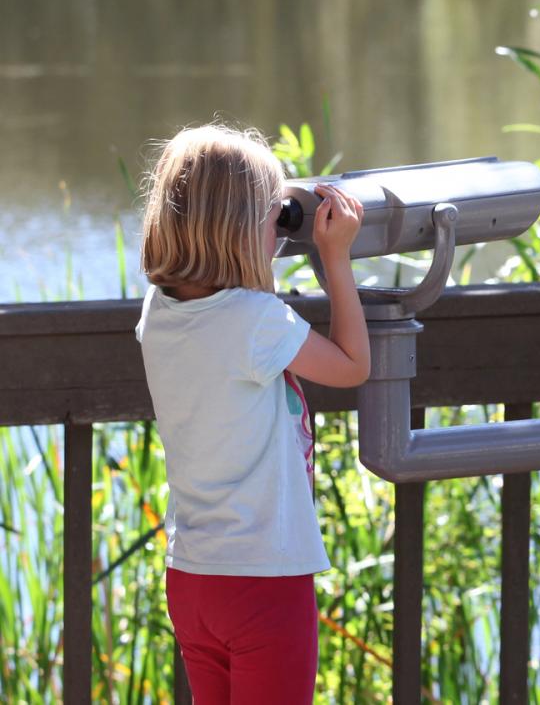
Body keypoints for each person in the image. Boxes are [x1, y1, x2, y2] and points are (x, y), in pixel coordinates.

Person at [135, 123, 372, 705]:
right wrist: (335, 257)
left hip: (191, 576)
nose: (280, 227)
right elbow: (351, 365)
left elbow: (217, 287)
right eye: (274, 215)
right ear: (241, 227)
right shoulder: (254, 320)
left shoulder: (158, 311)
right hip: (263, 580)